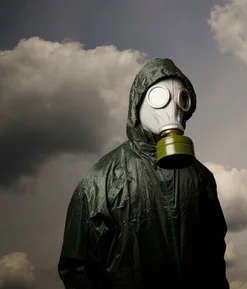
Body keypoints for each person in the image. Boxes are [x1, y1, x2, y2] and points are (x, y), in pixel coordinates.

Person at [57, 58, 229, 289]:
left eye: (181, 98)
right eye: (159, 97)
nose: (172, 109)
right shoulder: (101, 179)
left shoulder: (200, 178)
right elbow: (76, 265)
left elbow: (214, 255)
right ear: (138, 103)